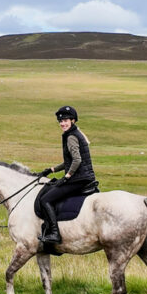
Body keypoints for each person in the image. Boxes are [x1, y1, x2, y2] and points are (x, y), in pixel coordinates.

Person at [38, 105, 97, 246]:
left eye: (65, 120)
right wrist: (51, 170)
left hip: (79, 179)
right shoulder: (75, 133)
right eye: (61, 121)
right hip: (84, 176)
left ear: (73, 121)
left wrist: (67, 176)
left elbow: (77, 160)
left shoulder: (71, 137)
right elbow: (69, 161)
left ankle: (54, 233)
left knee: (45, 199)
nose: (62, 123)